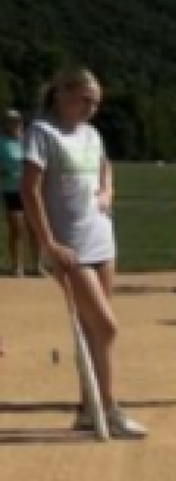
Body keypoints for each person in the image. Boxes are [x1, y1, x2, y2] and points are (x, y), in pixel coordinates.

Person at [22, 66, 146, 439]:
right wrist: (48, 243)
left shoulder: (92, 134)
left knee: (96, 331)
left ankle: (88, 408)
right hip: (69, 246)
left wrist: (108, 190)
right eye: (85, 99)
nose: (91, 108)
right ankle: (108, 408)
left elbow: (105, 168)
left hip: (101, 239)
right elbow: (29, 190)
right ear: (62, 93)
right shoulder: (42, 133)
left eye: (96, 103)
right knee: (107, 327)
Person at [3, 109, 35, 278]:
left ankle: (37, 265)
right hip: (11, 189)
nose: (14, 124)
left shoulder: (28, 141)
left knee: (35, 228)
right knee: (17, 228)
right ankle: (17, 266)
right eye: (10, 121)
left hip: (31, 189)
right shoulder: (2, 143)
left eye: (17, 121)